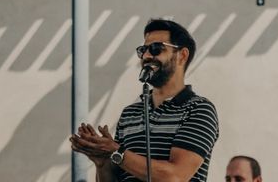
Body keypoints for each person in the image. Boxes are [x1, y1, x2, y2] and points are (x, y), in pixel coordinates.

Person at [70, 18, 219, 182]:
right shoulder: (129, 114)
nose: (147, 55)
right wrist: (103, 162)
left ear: (181, 56)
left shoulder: (199, 109)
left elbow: (175, 176)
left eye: (156, 48)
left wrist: (116, 151)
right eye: (143, 49)